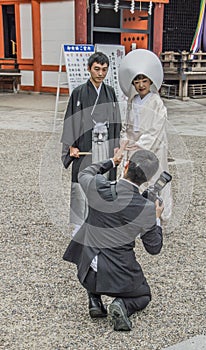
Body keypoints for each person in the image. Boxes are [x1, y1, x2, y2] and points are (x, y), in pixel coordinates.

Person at [63, 146, 164, 331]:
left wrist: (111, 162)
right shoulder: (146, 208)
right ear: (147, 179)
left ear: (126, 166)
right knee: (144, 294)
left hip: (86, 272)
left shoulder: (98, 186)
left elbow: (84, 172)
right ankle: (122, 305)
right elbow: (154, 247)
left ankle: (94, 299)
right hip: (117, 279)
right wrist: (156, 218)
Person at [61, 51, 121, 231]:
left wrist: (117, 145)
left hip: (105, 144)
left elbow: (116, 119)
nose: (100, 73)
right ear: (89, 69)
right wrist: (71, 145)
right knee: (82, 182)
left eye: (104, 69)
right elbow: (70, 118)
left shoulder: (110, 92)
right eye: (97, 69)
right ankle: (79, 225)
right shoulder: (79, 92)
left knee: (104, 180)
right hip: (86, 144)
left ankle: (101, 221)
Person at [118, 49, 172, 221]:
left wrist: (141, 144)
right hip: (135, 145)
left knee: (155, 179)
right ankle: (136, 216)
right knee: (134, 179)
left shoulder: (156, 102)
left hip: (152, 146)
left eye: (144, 81)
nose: (141, 85)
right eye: (137, 81)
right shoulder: (132, 102)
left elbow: (156, 129)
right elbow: (126, 125)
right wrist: (124, 142)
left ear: (150, 82)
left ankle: (158, 215)